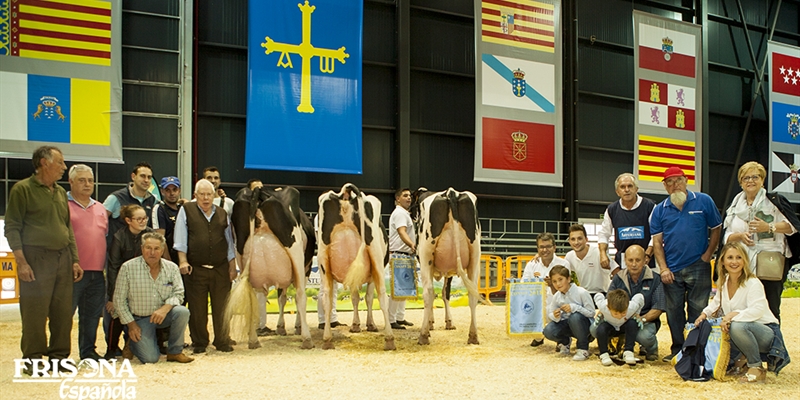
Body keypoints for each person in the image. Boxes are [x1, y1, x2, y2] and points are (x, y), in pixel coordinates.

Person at [4, 146, 83, 371]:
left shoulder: (59, 192)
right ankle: (33, 360)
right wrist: (21, 262)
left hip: (63, 257)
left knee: (62, 312)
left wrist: (75, 260)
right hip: (35, 258)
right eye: (60, 163)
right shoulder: (22, 190)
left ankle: (59, 358)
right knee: (34, 313)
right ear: (44, 163)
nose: (64, 167)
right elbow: (12, 227)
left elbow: (67, 228)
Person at [650, 166, 722, 362]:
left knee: (698, 309)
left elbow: (716, 228)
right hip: (671, 270)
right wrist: (663, 268)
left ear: (686, 180)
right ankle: (677, 349)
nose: (675, 186)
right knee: (673, 312)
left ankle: (696, 349)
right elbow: (657, 242)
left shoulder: (704, 201)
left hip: (699, 265)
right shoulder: (659, 210)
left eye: (678, 180)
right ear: (664, 186)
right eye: (670, 182)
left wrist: (708, 254)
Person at [694, 242, 789, 383]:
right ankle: (741, 361)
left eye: (739, 257)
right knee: (725, 327)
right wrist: (703, 315)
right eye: (730, 257)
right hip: (740, 331)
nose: (734, 262)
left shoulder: (753, 282)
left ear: (745, 260)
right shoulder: (724, 281)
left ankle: (756, 367)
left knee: (737, 326)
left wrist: (733, 315)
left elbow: (757, 310)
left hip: (766, 333)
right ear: (722, 261)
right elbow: (715, 303)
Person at [722, 161, 800, 322]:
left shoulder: (774, 201)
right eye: (746, 178)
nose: (750, 181)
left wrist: (769, 226)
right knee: (742, 306)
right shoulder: (734, 206)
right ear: (741, 182)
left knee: (770, 307)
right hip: (742, 263)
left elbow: (792, 227)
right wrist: (740, 236)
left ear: (762, 180)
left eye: (755, 177)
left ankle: (772, 344)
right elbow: (726, 236)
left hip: (769, 262)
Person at [175, 179, 237, 354]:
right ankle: (200, 342)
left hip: (220, 268)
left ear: (214, 195)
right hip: (196, 268)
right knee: (197, 308)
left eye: (209, 194)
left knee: (222, 307)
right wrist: (183, 261)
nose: (206, 198)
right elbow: (180, 238)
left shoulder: (223, 213)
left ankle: (222, 340)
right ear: (195, 196)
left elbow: (229, 242)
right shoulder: (186, 210)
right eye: (202, 194)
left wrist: (233, 266)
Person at [114, 232, 194, 364]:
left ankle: (175, 352)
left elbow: (179, 293)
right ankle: (132, 342)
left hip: (163, 315)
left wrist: (165, 308)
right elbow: (119, 300)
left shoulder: (172, 268)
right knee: (150, 359)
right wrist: (132, 325)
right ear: (142, 249)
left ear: (162, 250)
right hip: (139, 319)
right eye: (148, 248)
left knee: (182, 312)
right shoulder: (128, 268)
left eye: (156, 249)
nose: (152, 252)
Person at [68, 164, 108, 361]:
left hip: (97, 273)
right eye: (82, 180)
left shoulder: (100, 207)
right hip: (72, 272)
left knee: (91, 316)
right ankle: (59, 355)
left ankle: (88, 352)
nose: (87, 184)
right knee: (65, 317)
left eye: (90, 181)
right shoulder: (62, 205)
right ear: (71, 182)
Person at [105, 204, 156, 359]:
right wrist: (113, 297)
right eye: (138, 219)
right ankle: (112, 349)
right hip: (123, 282)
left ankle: (137, 345)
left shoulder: (150, 234)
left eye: (145, 218)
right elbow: (113, 267)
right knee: (116, 313)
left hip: (145, 283)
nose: (143, 221)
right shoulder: (119, 237)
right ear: (128, 220)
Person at [606, 245, 665, 361]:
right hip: (620, 318)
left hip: (644, 321)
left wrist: (640, 319)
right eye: (630, 260)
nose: (634, 264)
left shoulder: (656, 279)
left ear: (645, 261)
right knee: (595, 328)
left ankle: (652, 348)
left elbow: (658, 308)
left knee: (645, 337)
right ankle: (620, 342)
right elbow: (609, 301)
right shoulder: (618, 278)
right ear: (625, 261)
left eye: (638, 260)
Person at [598, 173, 657, 270]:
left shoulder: (650, 207)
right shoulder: (611, 209)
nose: (626, 190)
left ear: (636, 189)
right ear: (617, 192)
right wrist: (603, 254)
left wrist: (647, 254)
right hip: (622, 263)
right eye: (622, 187)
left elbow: (656, 234)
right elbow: (604, 234)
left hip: (647, 261)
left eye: (630, 186)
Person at [522, 232, 571, 347]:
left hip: (558, 305)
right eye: (541, 247)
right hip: (538, 305)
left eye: (548, 246)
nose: (545, 250)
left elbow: (566, 289)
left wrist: (552, 285)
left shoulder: (564, 264)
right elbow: (524, 284)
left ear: (554, 247)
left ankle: (563, 340)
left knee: (558, 320)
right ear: (537, 248)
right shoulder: (531, 264)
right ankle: (538, 336)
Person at [542, 266, 594, 361]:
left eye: (560, 279)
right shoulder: (556, 296)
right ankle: (565, 342)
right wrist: (555, 315)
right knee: (548, 330)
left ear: (569, 279)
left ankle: (583, 348)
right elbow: (550, 314)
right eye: (554, 281)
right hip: (568, 325)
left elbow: (591, 313)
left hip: (585, 327)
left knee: (575, 317)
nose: (558, 284)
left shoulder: (582, 292)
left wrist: (575, 307)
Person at [104, 162, 157, 247]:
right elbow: (99, 222)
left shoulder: (153, 201)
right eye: (142, 176)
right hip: (117, 253)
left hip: (140, 252)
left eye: (149, 177)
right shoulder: (116, 198)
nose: (146, 180)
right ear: (133, 176)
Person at [387, 188, 416, 330]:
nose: (409, 198)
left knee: (404, 289)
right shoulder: (399, 213)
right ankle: (391, 319)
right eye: (405, 196)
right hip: (399, 254)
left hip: (405, 254)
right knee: (397, 289)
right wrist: (412, 244)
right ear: (398, 199)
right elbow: (401, 231)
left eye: (409, 196)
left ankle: (399, 317)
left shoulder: (404, 213)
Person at [564, 224, 618, 299]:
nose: (576, 242)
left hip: (602, 294)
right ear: (569, 241)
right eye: (573, 239)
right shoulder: (569, 257)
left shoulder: (599, 253)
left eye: (579, 238)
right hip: (583, 295)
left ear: (586, 239)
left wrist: (614, 292)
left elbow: (617, 272)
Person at [594, 290, 645, 366]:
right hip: (609, 325)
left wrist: (637, 313)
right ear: (608, 307)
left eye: (623, 313)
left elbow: (640, 297)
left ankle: (628, 352)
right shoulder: (603, 306)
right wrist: (601, 311)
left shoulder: (632, 307)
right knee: (601, 328)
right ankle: (604, 354)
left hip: (624, 326)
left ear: (628, 306)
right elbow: (597, 295)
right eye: (616, 313)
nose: (619, 316)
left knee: (632, 323)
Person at [152, 176, 183, 264]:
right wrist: (168, 262)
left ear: (179, 191)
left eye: (174, 189)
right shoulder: (159, 209)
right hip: (169, 257)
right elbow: (160, 238)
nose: (172, 193)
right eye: (167, 190)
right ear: (162, 192)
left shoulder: (183, 208)